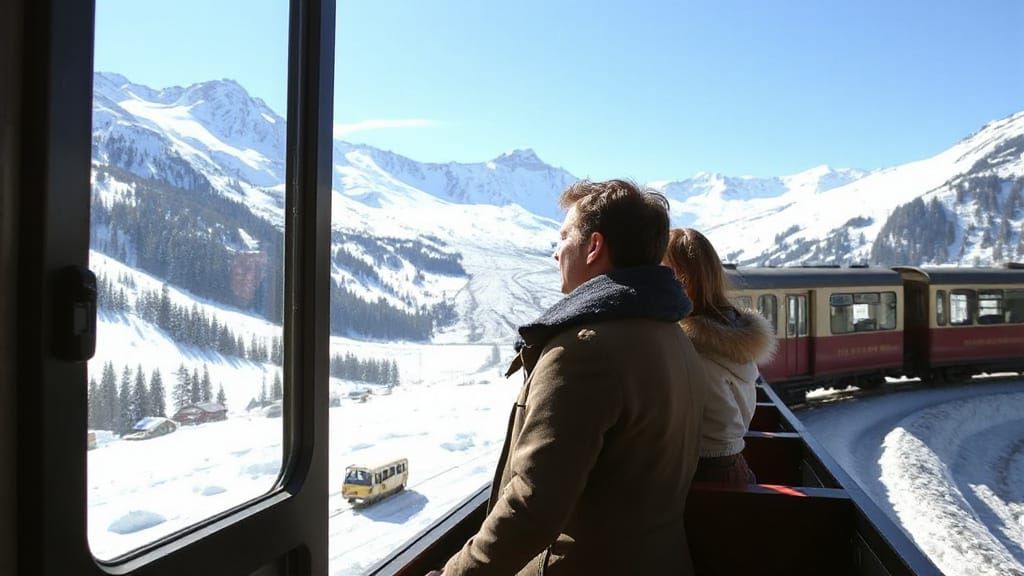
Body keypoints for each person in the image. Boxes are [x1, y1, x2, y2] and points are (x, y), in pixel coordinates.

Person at [437, 179, 706, 575]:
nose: (555, 252)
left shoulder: (584, 351)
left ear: (594, 246)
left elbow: (533, 505)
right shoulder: (674, 337)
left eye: (563, 237)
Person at [663, 228, 776, 485]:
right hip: (730, 467)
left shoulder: (687, 345)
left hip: (702, 472)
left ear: (683, 280)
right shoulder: (731, 332)